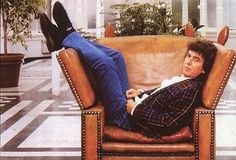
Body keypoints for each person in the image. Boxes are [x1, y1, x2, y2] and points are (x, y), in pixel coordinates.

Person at [40, 1, 217, 138]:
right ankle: (64, 37)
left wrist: (134, 108)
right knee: (117, 57)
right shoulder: (185, 81)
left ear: (203, 69)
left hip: (127, 118)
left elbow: (167, 122)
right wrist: (140, 93)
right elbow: (163, 96)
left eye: (196, 60)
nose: (188, 62)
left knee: (106, 65)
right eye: (189, 56)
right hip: (135, 104)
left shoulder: (191, 90)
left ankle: (68, 34)